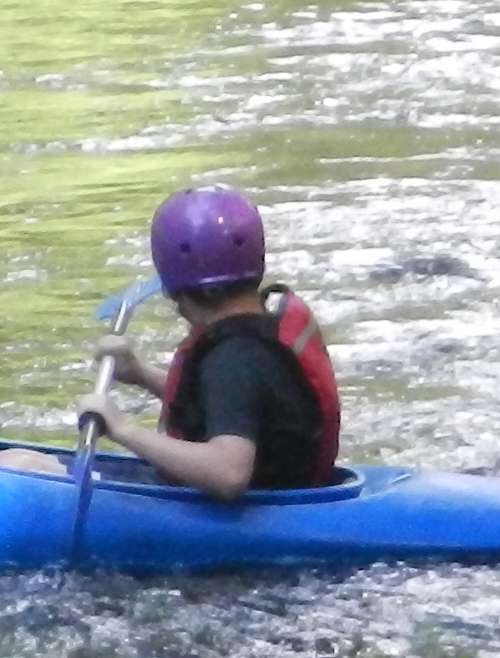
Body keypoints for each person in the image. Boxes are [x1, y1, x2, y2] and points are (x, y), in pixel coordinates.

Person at [85, 184, 344, 502]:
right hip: (287, 488)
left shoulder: (233, 359)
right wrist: (139, 373)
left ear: (172, 285)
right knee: (21, 461)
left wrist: (123, 430)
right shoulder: (258, 333)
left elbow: (229, 473)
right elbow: (234, 405)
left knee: (22, 464)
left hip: (251, 515)